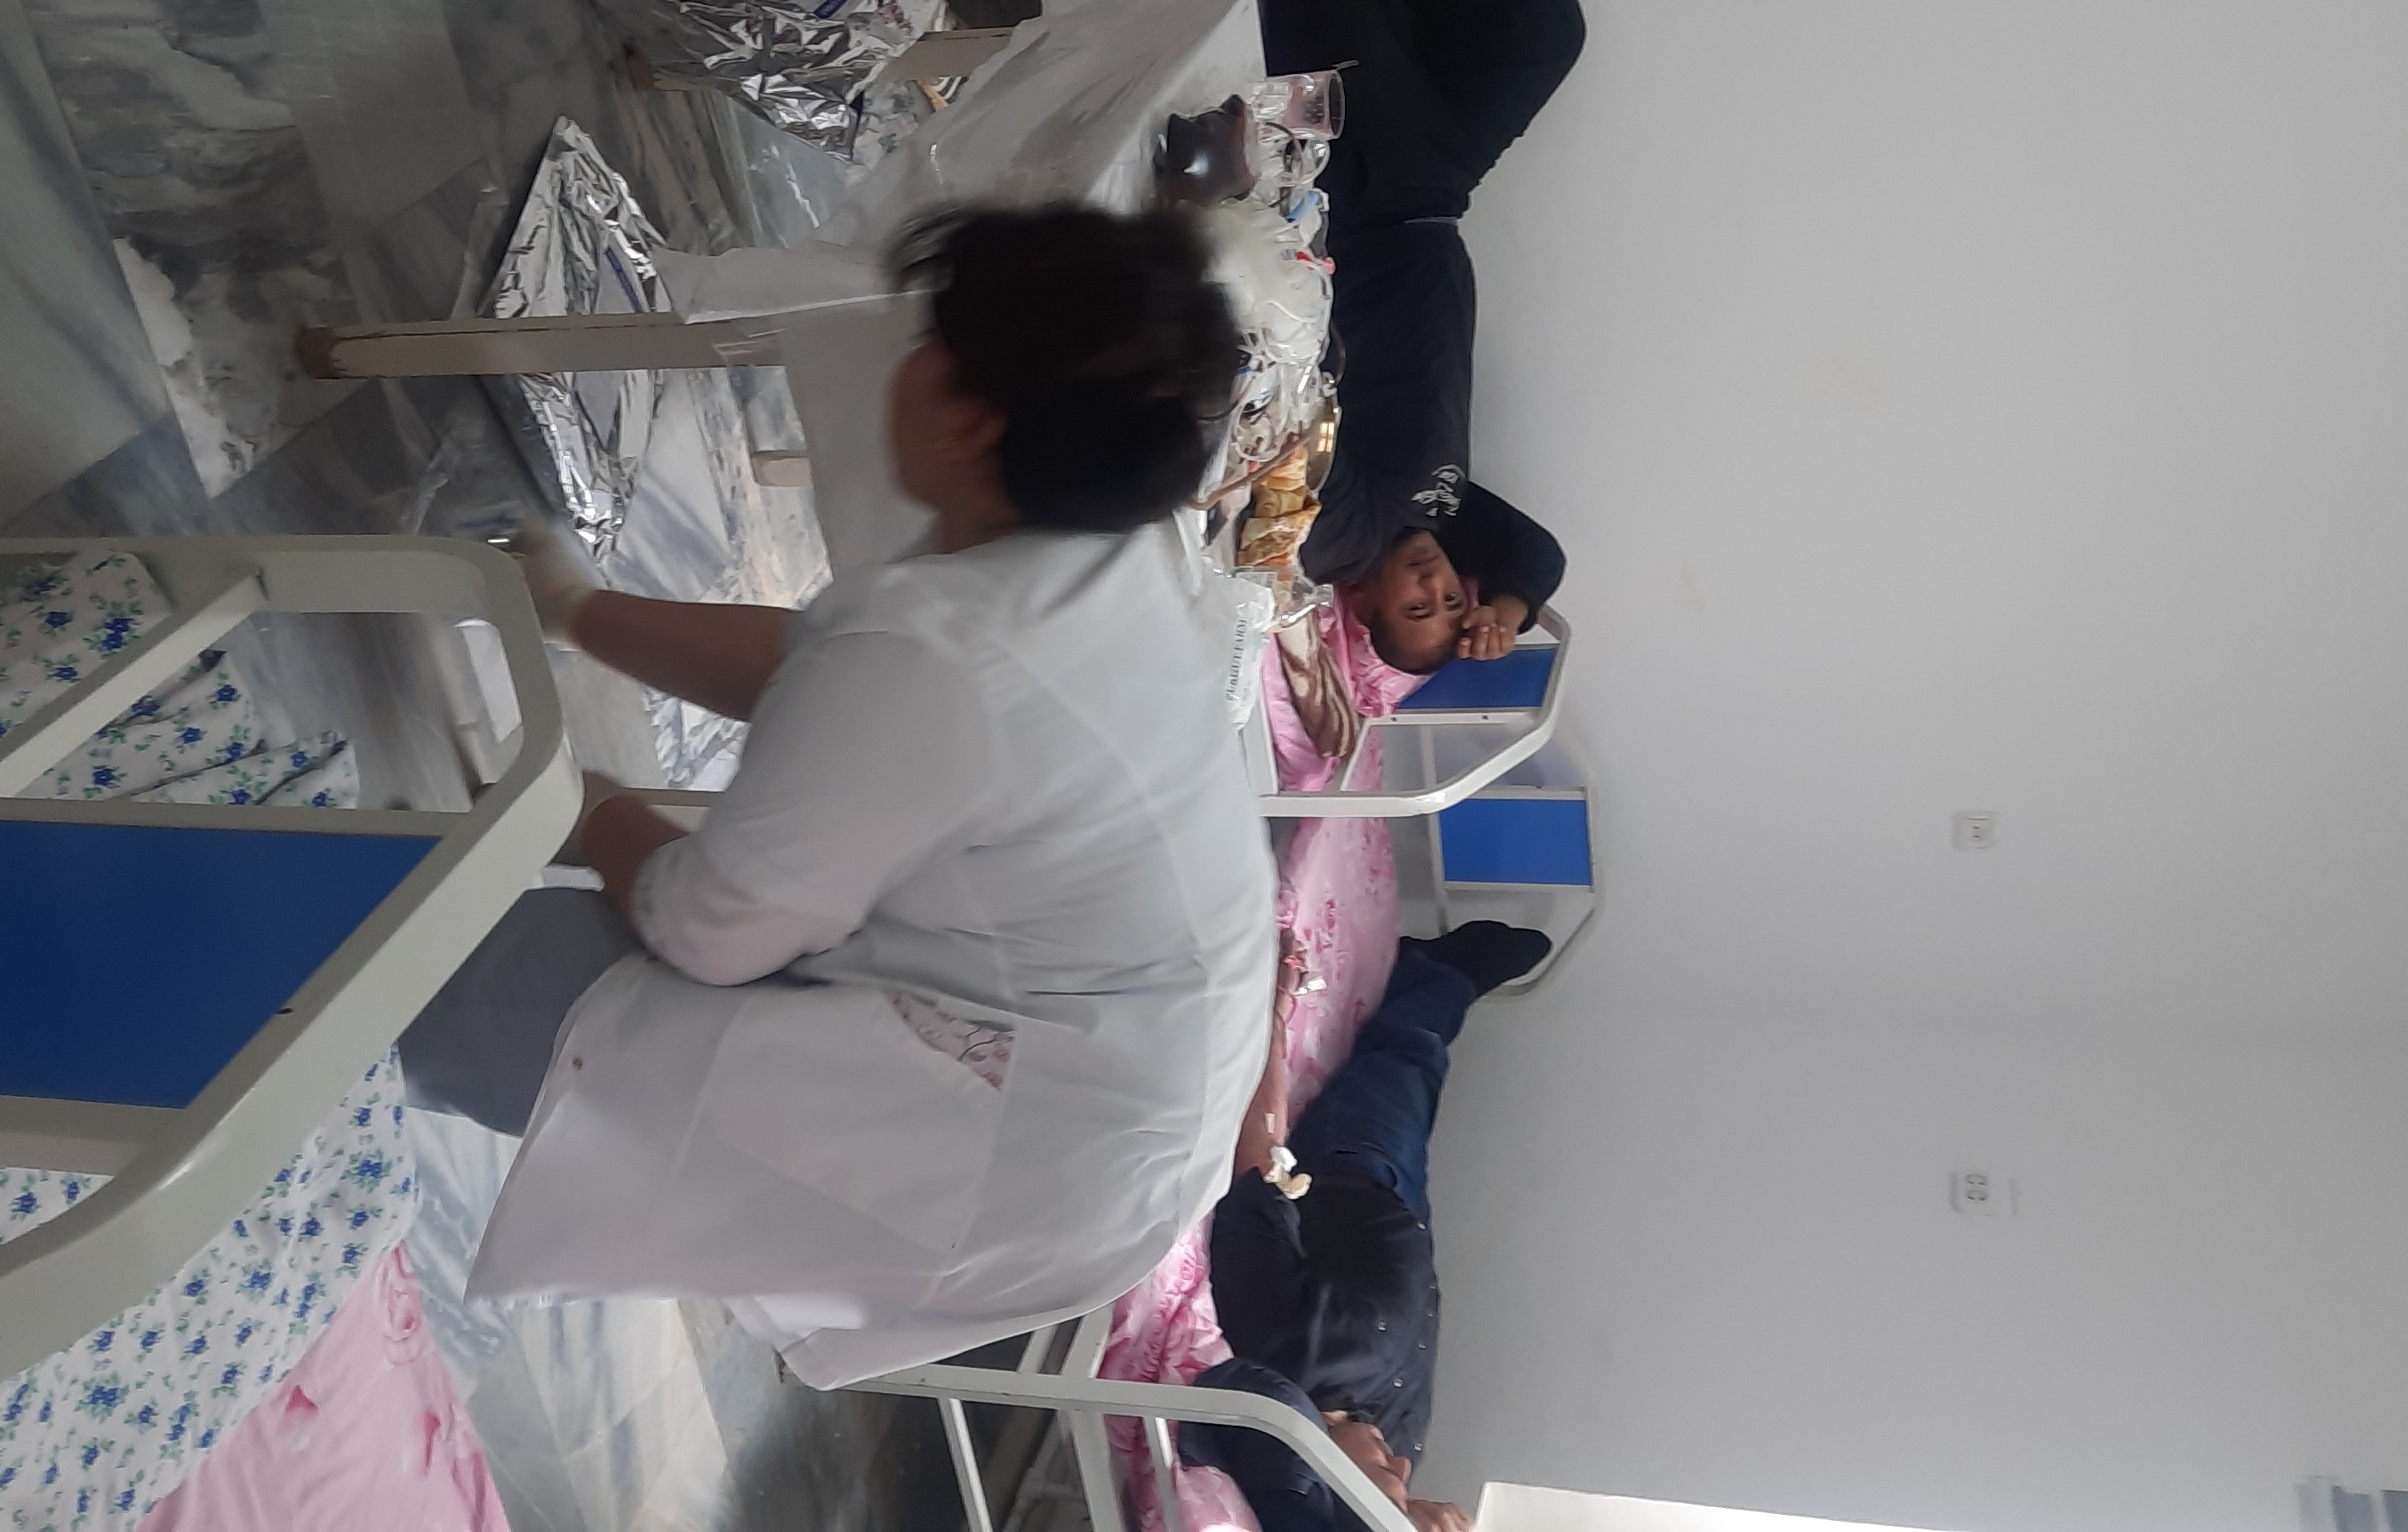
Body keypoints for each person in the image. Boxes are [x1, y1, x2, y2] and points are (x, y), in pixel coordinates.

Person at [398, 205, 1276, 1390]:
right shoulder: (1094, 556)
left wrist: (589, 806)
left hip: (1036, 1152)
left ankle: (251, 1032)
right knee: (526, 957)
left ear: (967, 418)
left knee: (499, 986)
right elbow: (826, 669)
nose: (901, 366)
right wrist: (579, 614)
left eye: (930, 343)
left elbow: (708, 928)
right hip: (1128, 1066)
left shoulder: (964, 645)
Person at [1180, 920, 1556, 1532]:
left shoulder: (1288, 1344)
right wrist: (1408, 1512)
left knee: (1406, 1059)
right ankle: (1440, 980)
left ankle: (1440, 972)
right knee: (1418, 1081)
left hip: (1350, 1168)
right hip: (1404, 1211)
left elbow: (1260, 1175)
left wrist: (1273, 1017)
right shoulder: (1380, 1440)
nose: (1403, 1465)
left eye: (1387, 1473)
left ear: (1325, 1472)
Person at [1264, 0, 1586, 674]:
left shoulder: (1343, 540)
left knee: (1352, 29)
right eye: (1450, 598)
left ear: (1361, 603)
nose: (1434, 581)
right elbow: (1538, 555)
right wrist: (1507, 611)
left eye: (1417, 606)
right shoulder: (1433, 517)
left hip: (1363, 209)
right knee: (1539, 40)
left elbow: (1293, 440)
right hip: (1432, 200)